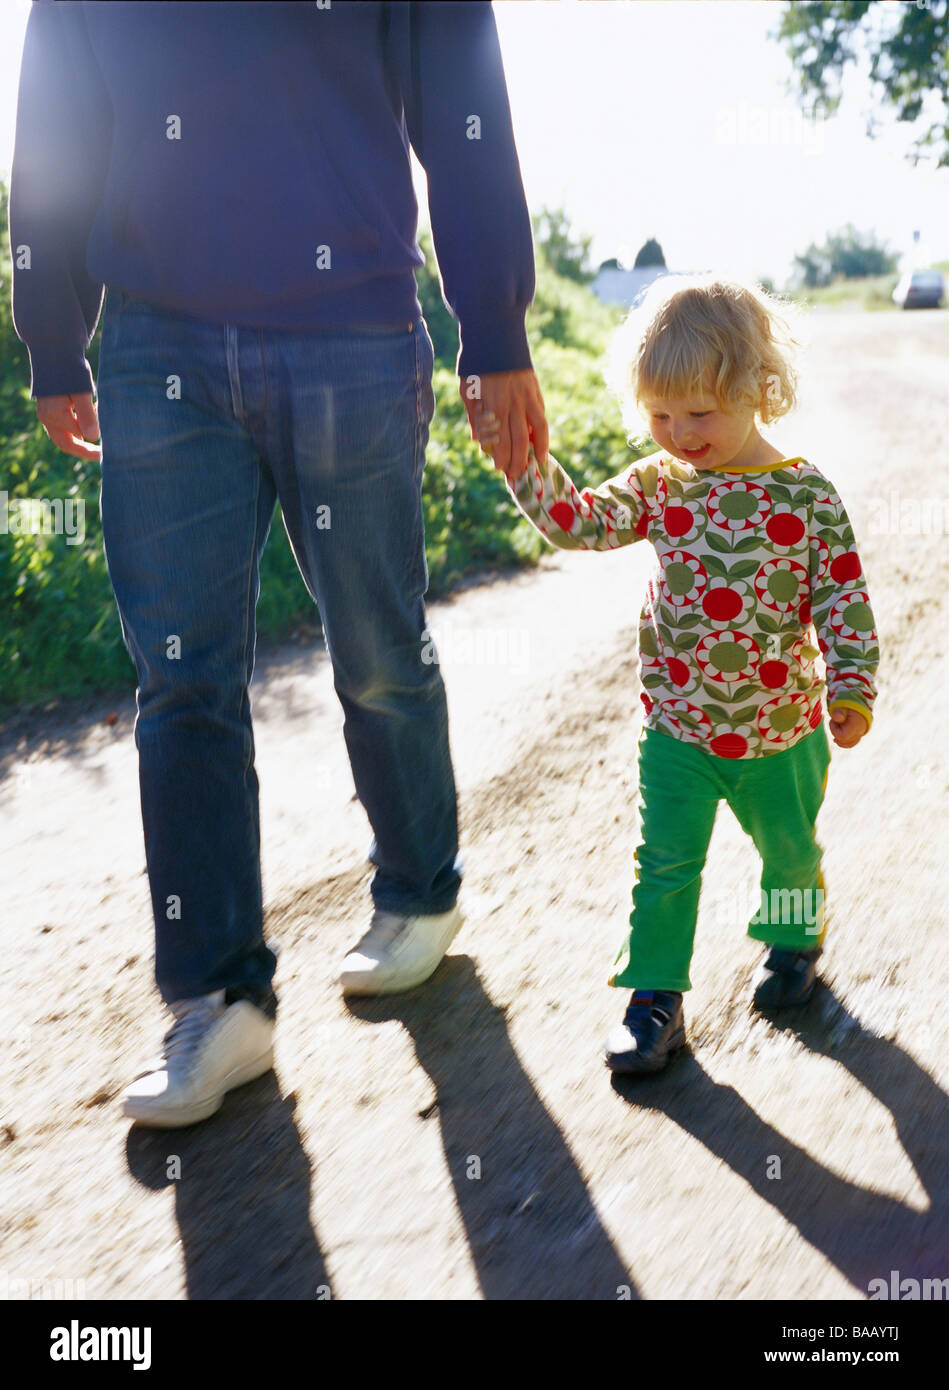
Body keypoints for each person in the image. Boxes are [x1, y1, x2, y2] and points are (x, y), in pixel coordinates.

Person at [10, 0, 548, 1127]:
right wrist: (52, 329)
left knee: (374, 641)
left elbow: (462, 101)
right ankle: (219, 998)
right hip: (158, 344)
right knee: (182, 679)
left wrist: (494, 327)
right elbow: (57, 114)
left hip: (351, 328)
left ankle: (419, 892)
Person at [474, 274, 878, 1074]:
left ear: (757, 389)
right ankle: (653, 1000)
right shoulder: (662, 487)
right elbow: (581, 523)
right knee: (663, 866)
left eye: (700, 412)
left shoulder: (804, 494)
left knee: (788, 855)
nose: (680, 432)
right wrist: (524, 467)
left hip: (782, 730)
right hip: (678, 730)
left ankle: (792, 939)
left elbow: (842, 596)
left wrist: (851, 685)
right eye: (660, 415)